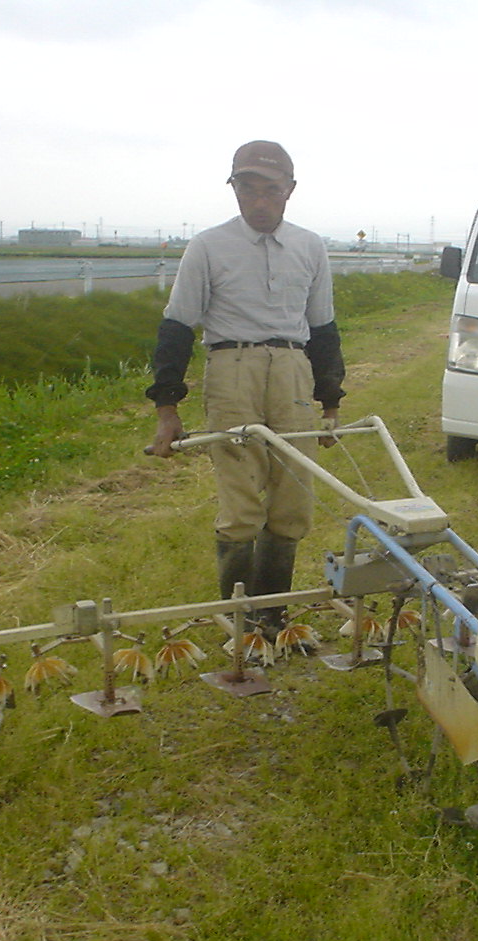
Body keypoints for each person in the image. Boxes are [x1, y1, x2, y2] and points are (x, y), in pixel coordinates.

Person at [146, 140, 345, 636]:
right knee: (240, 505)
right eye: (247, 188)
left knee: (293, 499)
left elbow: (323, 328)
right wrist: (167, 409)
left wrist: (330, 402)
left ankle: (271, 616)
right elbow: (177, 326)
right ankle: (239, 622)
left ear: (289, 190)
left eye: (270, 190)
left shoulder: (310, 247)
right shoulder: (208, 247)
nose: (259, 201)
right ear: (233, 188)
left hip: (294, 369)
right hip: (232, 369)